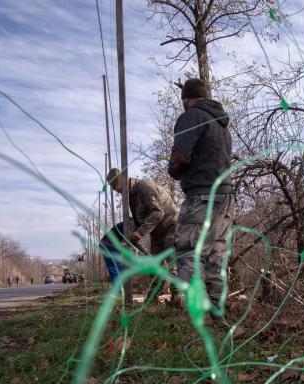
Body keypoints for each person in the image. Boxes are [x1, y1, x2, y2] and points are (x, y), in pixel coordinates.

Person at [168, 78, 235, 316]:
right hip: (226, 197)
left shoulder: (192, 116)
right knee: (216, 256)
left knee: (188, 252)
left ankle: (201, 318)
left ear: (187, 98)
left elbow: (180, 156)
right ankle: (218, 313)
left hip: (202, 196)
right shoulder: (222, 125)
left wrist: (173, 169)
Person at [99, 168, 178, 285]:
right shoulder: (131, 196)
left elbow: (158, 212)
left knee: (172, 262)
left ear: (124, 180)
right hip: (156, 232)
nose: (119, 192)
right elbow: (139, 218)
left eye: (119, 189)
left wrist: (140, 232)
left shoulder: (144, 187)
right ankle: (153, 296)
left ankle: (177, 297)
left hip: (169, 226)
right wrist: (134, 234)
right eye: (117, 191)